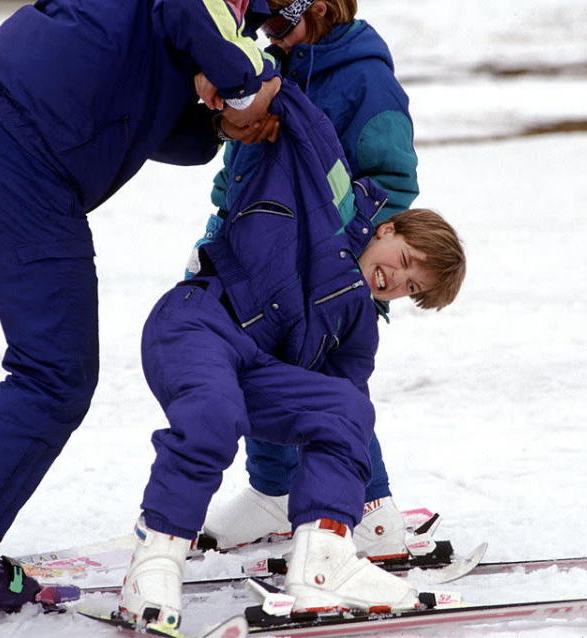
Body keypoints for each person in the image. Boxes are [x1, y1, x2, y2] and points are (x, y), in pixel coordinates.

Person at [0, 0, 282, 618]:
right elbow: (208, 28)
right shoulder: (211, 15)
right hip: (26, 158)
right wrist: (253, 82)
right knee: (55, 373)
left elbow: (162, 126)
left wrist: (215, 112)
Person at [120, 82, 465, 631]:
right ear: (387, 226)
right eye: (404, 261)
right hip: (198, 321)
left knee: (346, 410)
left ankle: (322, 565)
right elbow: (285, 100)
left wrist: (374, 508)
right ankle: (156, 561)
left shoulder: (355, 323)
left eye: (408, 287)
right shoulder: (325, 196)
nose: (394, 279)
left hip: (251, 369)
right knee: (212, 414)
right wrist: (253, 55)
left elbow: (350, 418)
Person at [197, 0, 422, 560]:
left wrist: (339, 252)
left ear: (319, 7)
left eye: (280, 24)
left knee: (329, 388)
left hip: (325, 270)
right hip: (257, 256)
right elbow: (241, 166)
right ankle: (273, 490)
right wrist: (217, 234)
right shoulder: (282, 68)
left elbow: (394, 180)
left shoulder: (366, 78)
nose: (275, 37)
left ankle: (371, 508)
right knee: (256, 367)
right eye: (264, 26)